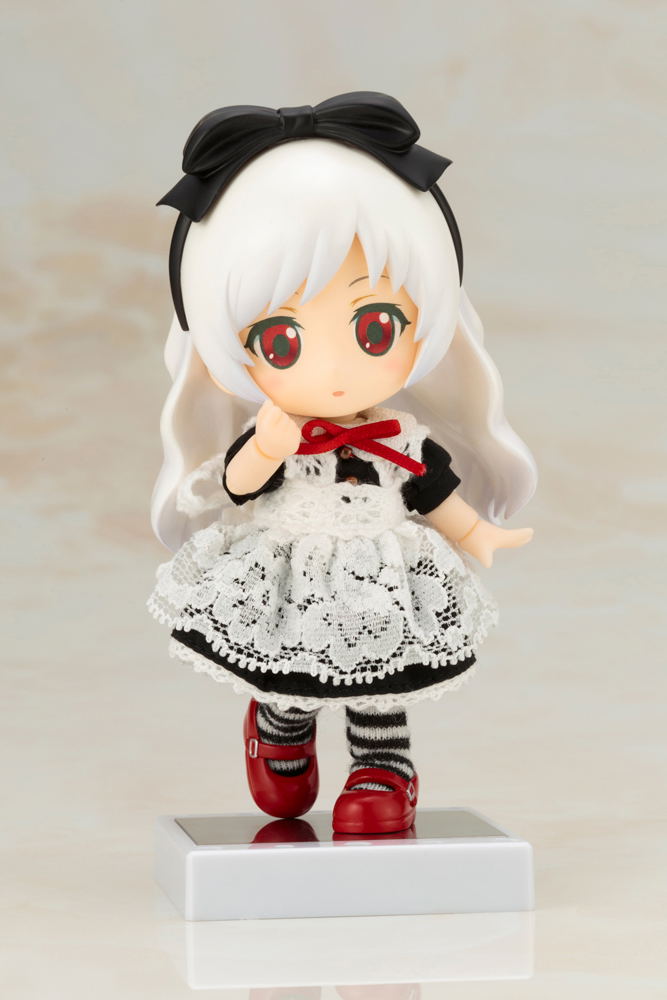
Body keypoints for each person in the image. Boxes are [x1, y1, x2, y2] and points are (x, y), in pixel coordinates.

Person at [147, 93, 537, 834]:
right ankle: (279, 729)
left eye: (375, 327)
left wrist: (476, 532)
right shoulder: (276, 432)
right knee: (288, 663)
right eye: (283, 342)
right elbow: (235, 485)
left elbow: (431, 492)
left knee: (382, 679)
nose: (332, 372)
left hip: (381, 572)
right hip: (289, 564)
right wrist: (266, 447)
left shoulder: (400, 436)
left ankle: (383, 769)